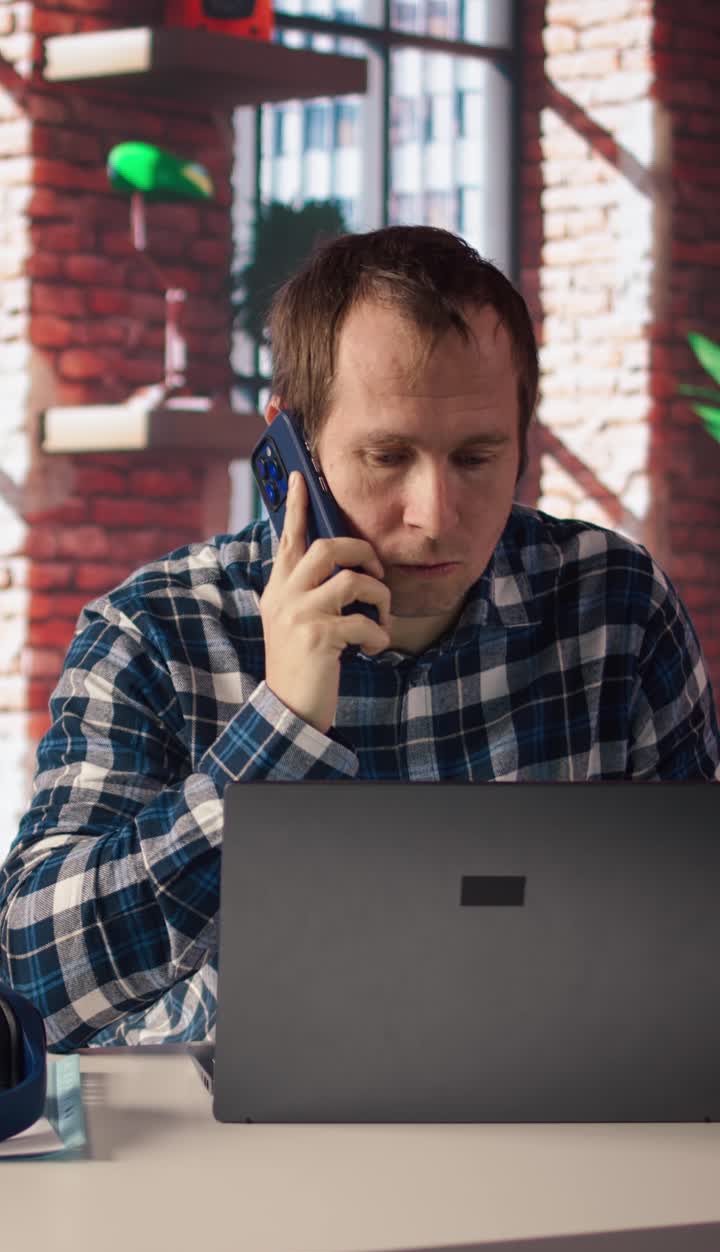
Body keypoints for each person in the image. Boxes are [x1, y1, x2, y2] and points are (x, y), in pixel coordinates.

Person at [1, 226, 718, 1052]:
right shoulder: (155, 632)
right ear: (290, 444)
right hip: (240, 1160)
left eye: (478, 457)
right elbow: (30, 987)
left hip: (561, 1117)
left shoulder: (617, 607)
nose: (435, 515)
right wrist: (278, 731)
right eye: (387, 455)